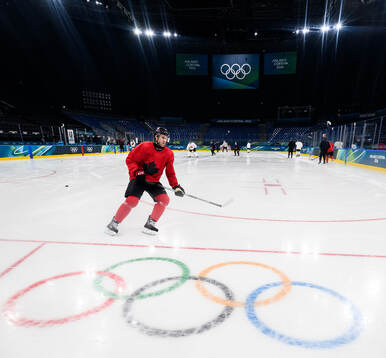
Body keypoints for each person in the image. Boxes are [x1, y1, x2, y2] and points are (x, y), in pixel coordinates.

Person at [105, 127, 185, 236]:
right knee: (132, 200)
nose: (164, 140)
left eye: (166, 138)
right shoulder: (144, 146)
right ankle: (113, 223)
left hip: (153, 181)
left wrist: (176, 186)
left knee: (164, 199)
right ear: (156, 137)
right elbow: (130, 160)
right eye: (162, 137)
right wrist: (137, 171)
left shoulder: (169, 153)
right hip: (139, 178)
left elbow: (170, 172)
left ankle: (150, 223)